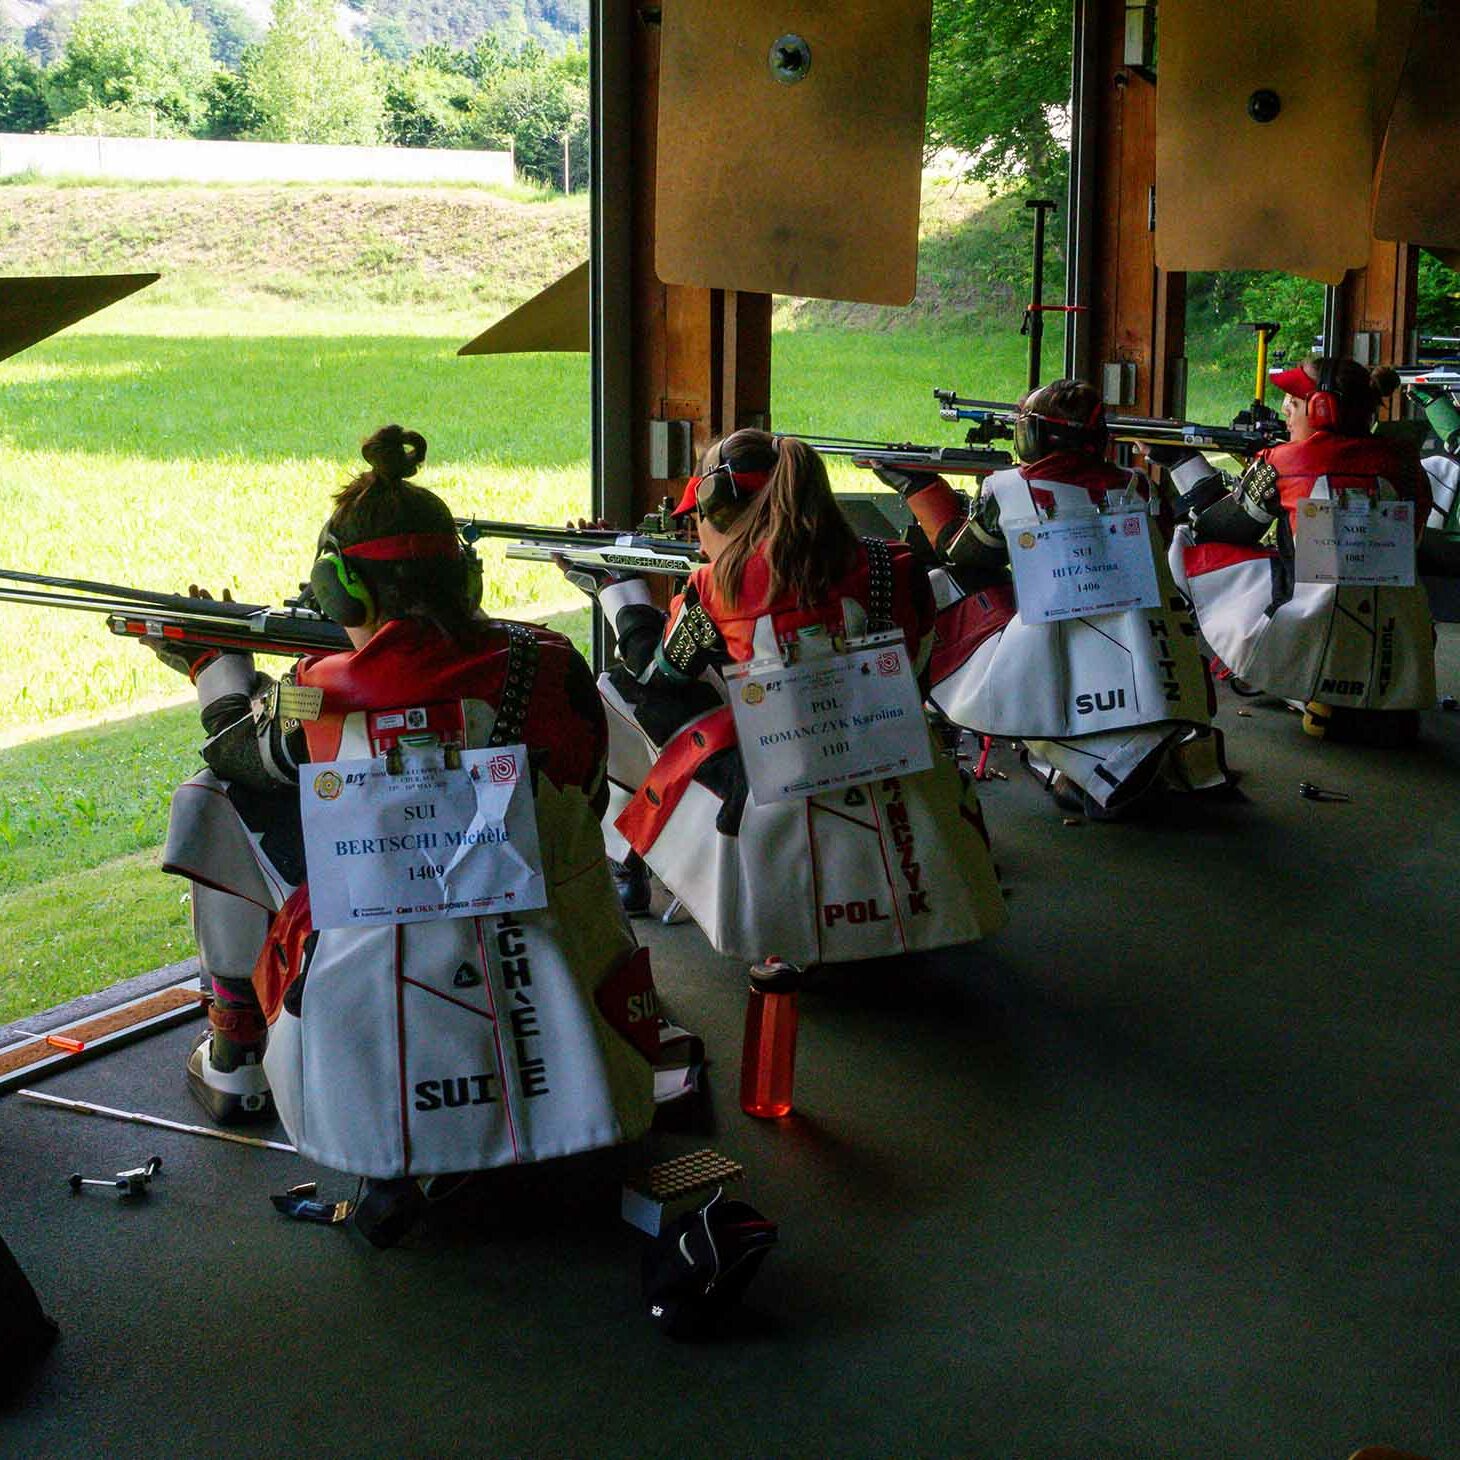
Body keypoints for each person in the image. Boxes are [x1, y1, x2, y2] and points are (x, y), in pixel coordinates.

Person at [153, 427, 662, 1218]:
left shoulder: (315, 691)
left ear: (339, 592)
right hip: (556, 956)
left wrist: (215, 672)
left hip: (374, 967)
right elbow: (590, 799)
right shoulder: (552, 662)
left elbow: (237, 755)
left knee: (208, 798)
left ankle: (234, 1049)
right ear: (465, 576)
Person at [559, 429, 1006, 969]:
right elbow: (915, 665)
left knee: (617, 692)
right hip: (900, 768)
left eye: (698, 515)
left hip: (775, 793)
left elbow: (659, 678)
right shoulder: (895, 563)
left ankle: (626, 865)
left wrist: (620, 594)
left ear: (721, 509)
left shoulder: (716, 587)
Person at [876, 378, 1228, 818]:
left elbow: (965, 553)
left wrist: (920, 487)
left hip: (1052, 660)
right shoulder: (1139, 487)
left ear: (1036, 435)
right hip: (1152, 664)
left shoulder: (1008, 489)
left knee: (947, 586)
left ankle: (949, 724)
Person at [1156, 358, 1436, 743]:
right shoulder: (1405, 461)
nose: (1285, 408)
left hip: (1311, 630)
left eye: (1295, 400)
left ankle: (1284, 682)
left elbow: (1218, 528)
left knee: (1185, 545)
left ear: (1322, 409)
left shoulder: (1285, 462)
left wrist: (1181, 461)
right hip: (1400, 640)